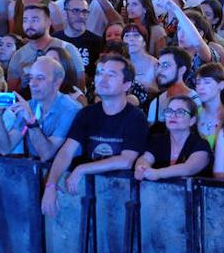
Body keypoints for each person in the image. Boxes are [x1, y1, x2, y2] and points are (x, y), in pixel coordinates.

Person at [41, 53, 148, 216]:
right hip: (90, 194)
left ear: (126, 85)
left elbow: (126, 160)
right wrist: (51, 185)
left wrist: (82, 169)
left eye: (111, 75)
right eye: (99, 74)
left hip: (125, 197)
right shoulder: (87, 113)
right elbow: (66, 151)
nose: (102, 79)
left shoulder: (135, 117)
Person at [4, 56, 81, 160]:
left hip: (66, 172)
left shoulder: (70, 109)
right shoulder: (30, 105)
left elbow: (46, 155)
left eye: (40, 78)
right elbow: (6, 147)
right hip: (37, 170)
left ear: (57, 82)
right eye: (31, 77)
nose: (32, 84)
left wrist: (31, 122)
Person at [133, 94, 212, 181]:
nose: (172, 116)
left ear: (192, 120)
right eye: (169, 111)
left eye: (180, 112)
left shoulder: (201, 145)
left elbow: (188, 168)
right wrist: (141, 168)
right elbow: (145, 158)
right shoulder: (157, 140)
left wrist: (157, 173)